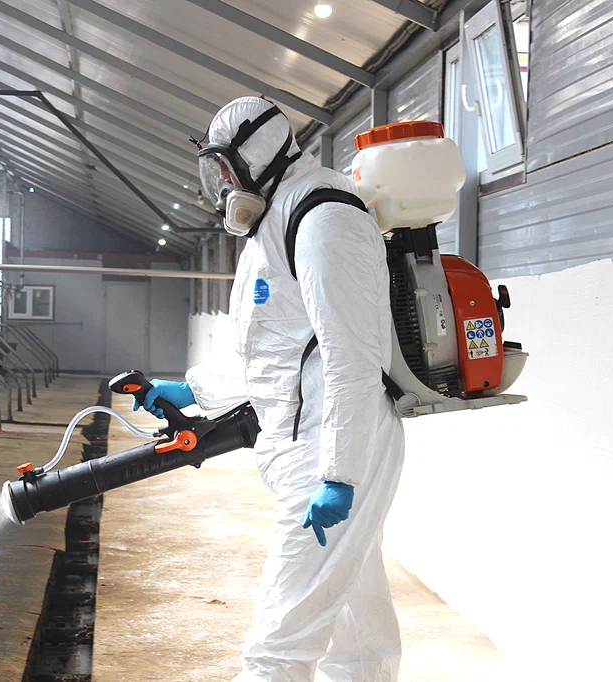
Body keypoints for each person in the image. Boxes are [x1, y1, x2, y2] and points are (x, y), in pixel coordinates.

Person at [135, 96, 405, 682]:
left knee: (278, 644)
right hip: (303, 442)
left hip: (329, 447)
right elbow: (274, 349)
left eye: (225, 170)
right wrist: (192, 389)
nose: (222, 187)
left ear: (257, 155)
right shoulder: (272, 221)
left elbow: (352, 360)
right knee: (357, 628)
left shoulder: (324, 218)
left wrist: (340, 475)